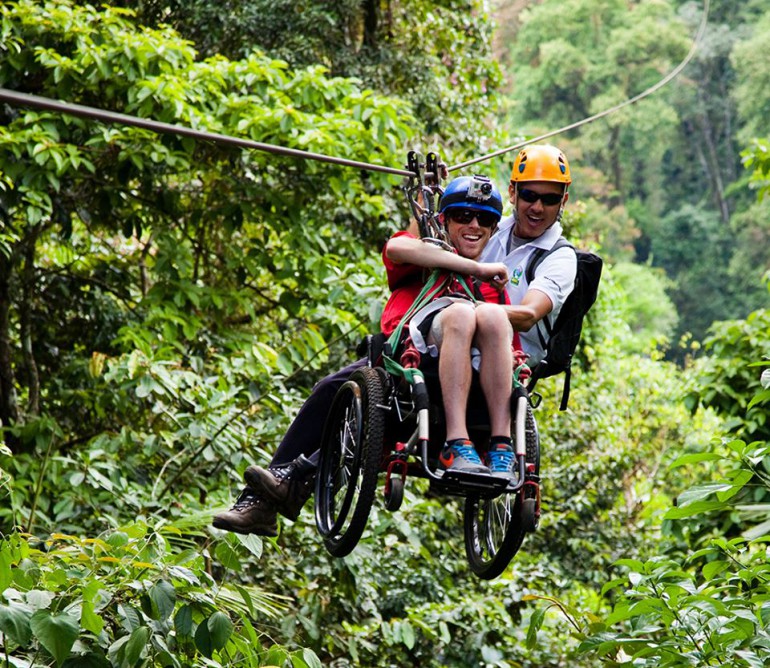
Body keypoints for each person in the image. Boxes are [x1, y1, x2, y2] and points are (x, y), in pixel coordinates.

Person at [213, 144, 577, 536]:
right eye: (529, 196)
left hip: (498, 347)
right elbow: (415, 239)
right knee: (335, 390)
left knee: (460, 326)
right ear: (514, 193)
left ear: (563, 202)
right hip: (432, 340)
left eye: (549, 199)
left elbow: (525, 314)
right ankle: (270, 493)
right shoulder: (488, 231)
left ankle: (292, 482)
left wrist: (473, 308)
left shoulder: (553, 257)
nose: (537, 207)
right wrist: (429, 202)